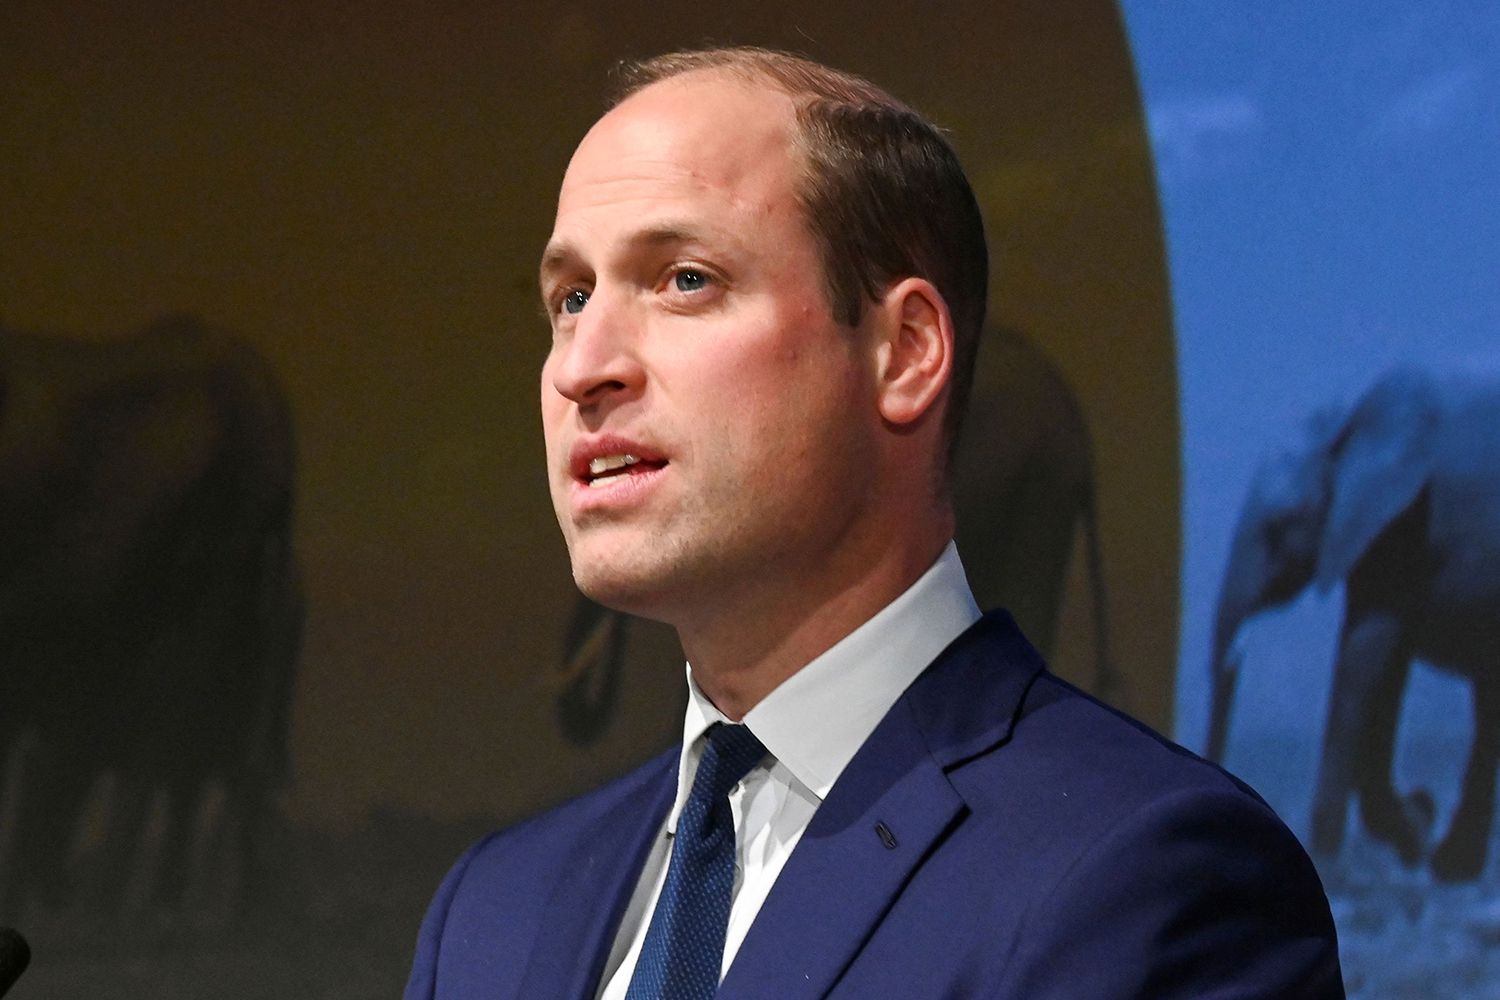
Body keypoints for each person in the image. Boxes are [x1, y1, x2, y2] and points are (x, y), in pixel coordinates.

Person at [405, 46, 1344, 999]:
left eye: (684, 279)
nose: (581, 367)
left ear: (904, 354)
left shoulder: (1150, 881)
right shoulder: (491, 912)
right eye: (569, 299)